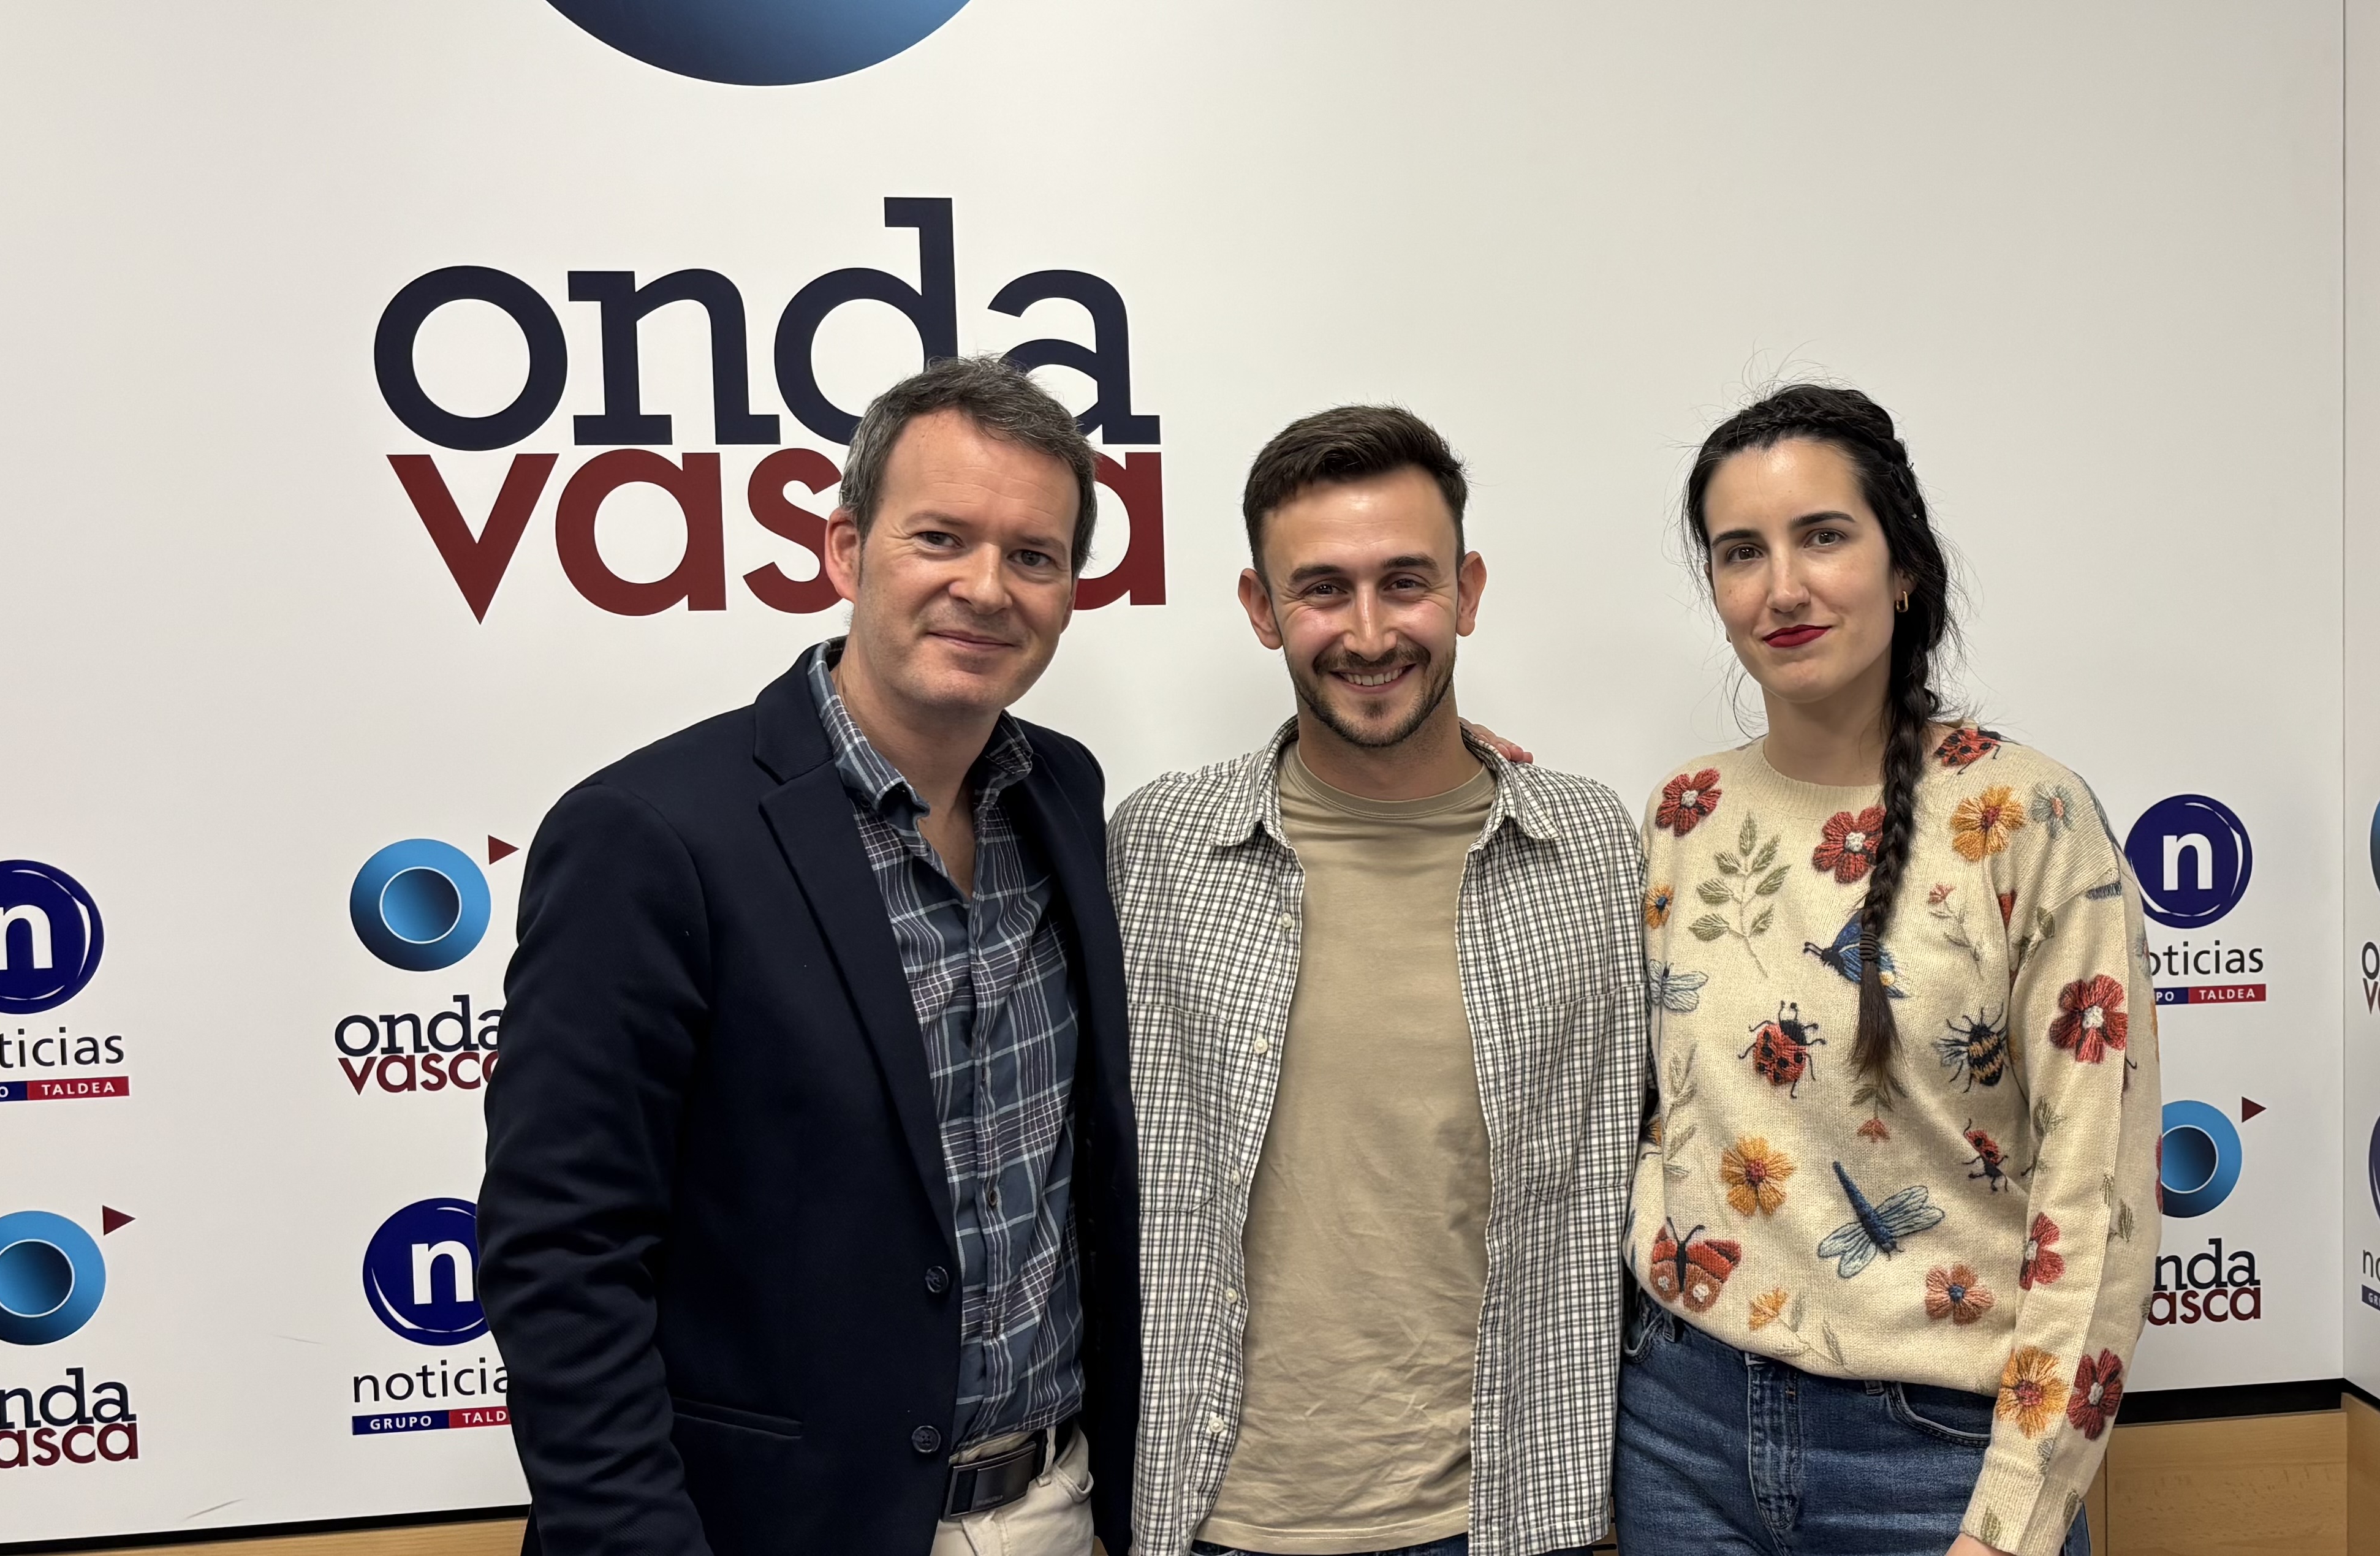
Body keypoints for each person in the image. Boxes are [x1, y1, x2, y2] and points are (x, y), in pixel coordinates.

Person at [479, 357, 1136, 1556]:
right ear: (844, 549)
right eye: (939, 537)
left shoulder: (1065, 794)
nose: (985, 587)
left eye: (1033, 556)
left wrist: (1433, 757)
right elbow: (562, 1247)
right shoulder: (651, 833)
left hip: (1056, 1508)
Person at [1616, 385, 2159, 1556]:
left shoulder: (2028, 817)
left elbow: (2097, 1195)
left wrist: (2016, 1513)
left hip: (1938, 1454)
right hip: (1679, 1429)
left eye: (1824, 536)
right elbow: (1658, 1119)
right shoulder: (1684, 811)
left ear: (1904, 566)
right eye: (1740, 552)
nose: (1783, 587)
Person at [1109, 407, 1647, 1556]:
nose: (1367, 632)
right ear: (1261, 609)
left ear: (1468, 589)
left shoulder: (1594, 849)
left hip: (1517, 1510)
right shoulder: (1150, 850)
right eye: (1321, 590)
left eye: (1406, 582)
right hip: (1220, 1515)